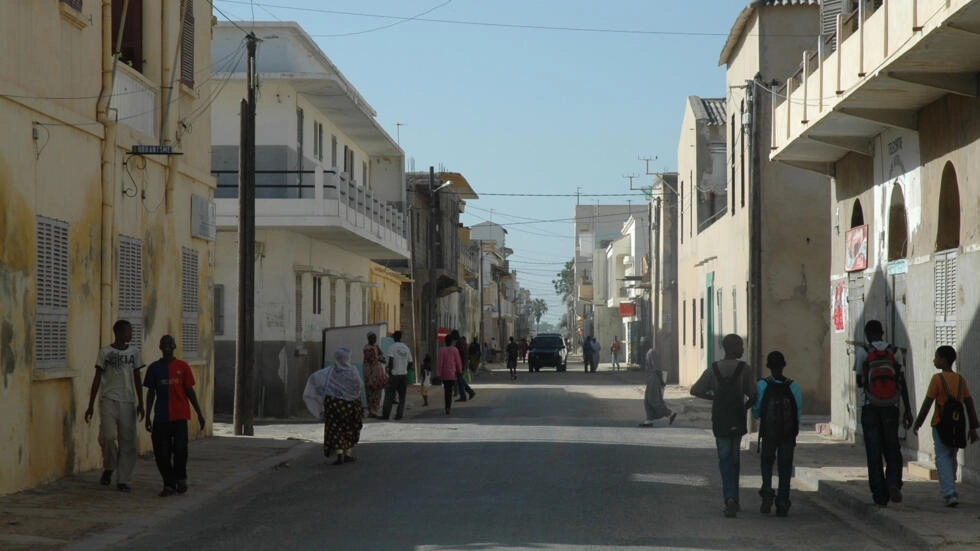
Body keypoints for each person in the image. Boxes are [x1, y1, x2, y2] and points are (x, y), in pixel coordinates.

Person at [691, 334, 756, 518]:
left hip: (720, 419)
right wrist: (743, 408)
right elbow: (753, 395)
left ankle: (728, 498)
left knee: (724, 459)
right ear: (733, 347)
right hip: (737, 419)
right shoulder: (744, 369)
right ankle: (733, 498)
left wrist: (714, 398)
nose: (742, 349)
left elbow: (695, 390)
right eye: (740, 346)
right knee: (735, 460)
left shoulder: (713, 369)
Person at [853, 320, 914, 506]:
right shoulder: (895, 352)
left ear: (867, 334)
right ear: (882, 332)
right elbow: (901, 382)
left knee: (874, 451)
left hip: (870, 406)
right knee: (892, 447)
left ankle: (879, 496)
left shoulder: (864, 351)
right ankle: (893, 482)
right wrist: (908, 409)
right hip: (891, 407)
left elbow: (859, 382)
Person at [912, 346, 980, 507]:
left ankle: (949, 493)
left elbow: (928, 403)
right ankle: (951, 485)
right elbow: (969, 404)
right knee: (951, 455)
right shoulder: (960, 380)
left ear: (943, 360)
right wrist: (973, 427)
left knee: (942, 458)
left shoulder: (937, 379)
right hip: (957, 425)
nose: (934, 360)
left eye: (936, 357)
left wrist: (918, 423)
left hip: (940, 424)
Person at [84, 320, 145, 492]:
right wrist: (90, 405)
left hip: (128, 400)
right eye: (128, 331)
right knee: (108, 436)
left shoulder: (134, 352)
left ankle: (123, 479)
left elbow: (137, 377)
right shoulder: (105, 352)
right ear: (119, 332)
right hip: (108, 398)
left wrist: (140, 402)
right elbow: (97, 377)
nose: (131, 334)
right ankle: (109, 466)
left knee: (128, 441)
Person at [143, 335, 206, 497]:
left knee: (180, 449)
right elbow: (151, 393)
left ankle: (181, 478)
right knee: (161, 452)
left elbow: (189, 391)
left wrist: (199, 413)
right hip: (161, 417)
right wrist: (148, 415)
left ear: (175, 346)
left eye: (170, 343)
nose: (167, 346)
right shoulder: (154, 368)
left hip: (179, 415)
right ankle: (168, 483)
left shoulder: (183, 367)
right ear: (159, 347)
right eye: (164, 343)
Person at [752, 351, 802, 517]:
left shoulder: (762, 385)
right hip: (788, 434)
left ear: (768, 366)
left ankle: (767, 493)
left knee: (767, 464)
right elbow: (798, 413)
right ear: (783, 365)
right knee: (785, 467)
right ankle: (782, 501)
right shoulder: (793, 385)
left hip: (769, 433)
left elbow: (757, 411)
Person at [303, 347, 365, 465]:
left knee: (335, 428)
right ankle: (347, 453)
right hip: (350, 405)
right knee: (349, 428)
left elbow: (315, 379)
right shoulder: (353, 371)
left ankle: (339, 453)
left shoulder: (330, 372)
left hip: (334, 404)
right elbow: (359, 385)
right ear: (347, 358)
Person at [639, 345, 675, 427]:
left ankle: (670, 414)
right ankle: (649, 420)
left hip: (654, 379)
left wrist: (662, 381)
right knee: (647, 401)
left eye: (643, 343)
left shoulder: (651, 353)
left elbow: (656, 368)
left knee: (653, 400)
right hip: (650, 379)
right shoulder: (648, 353)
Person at [382, 330, 413, 420]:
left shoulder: (392, 347)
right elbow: (410, 362)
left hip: (394, 375)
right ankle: (399, 415)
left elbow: (391, 361)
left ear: (394, 338)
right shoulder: (406, 348)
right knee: (402, 397)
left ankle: (386, 415)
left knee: (389, 396)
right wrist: (405, 369)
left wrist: (390, 372)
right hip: (403, 376)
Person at [362, 332, 387, 418]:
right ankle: (371, 411)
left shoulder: (376, 347)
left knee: (377, 393)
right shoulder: (367, 348)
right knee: (370, 393)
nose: (374, 339)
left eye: (375, 338)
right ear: (368, 339)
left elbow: (383, 357)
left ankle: (374, 411)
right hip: (370, 375)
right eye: (372, 338)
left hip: (378, 375)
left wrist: (380, 358)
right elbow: (373, 359)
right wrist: (380, 358)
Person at [437, 334, 463, 415]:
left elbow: (440, 363)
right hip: (452, 373)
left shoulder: (441, 350)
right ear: (451, 342)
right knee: (450, 391)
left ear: (445, 341)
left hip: (445, 374)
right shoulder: (455, 350)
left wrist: (438, 374)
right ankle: (449, 407)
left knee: (446, 391)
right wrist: (460, 370)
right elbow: (458, 362)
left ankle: (447, 407)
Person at [454, 331, 476, 402]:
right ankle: (463, 396)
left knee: (460, 380)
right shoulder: (462, 342)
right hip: (462, 364)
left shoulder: (459, 343)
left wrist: (462, 365)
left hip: (461, 364)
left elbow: (462, 355)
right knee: (460, 380)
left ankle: (470, 392)